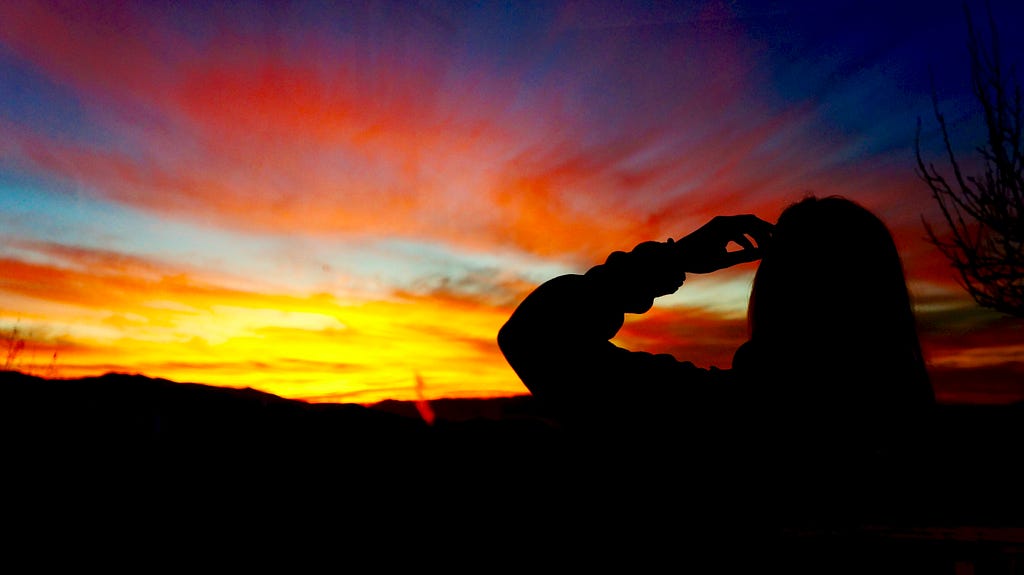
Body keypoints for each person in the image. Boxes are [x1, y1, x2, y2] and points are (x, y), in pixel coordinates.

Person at [498, 195, 935, 461]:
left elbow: (535, 335)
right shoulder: (921, 446)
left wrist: (673, 260)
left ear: (775, 293)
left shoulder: (710, 418)